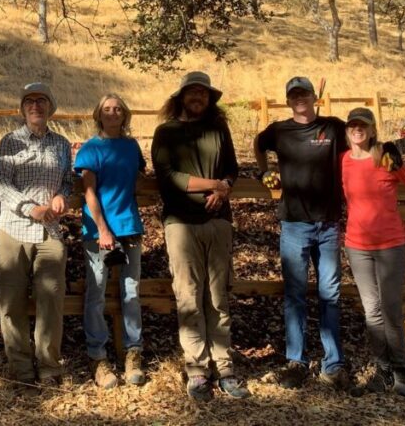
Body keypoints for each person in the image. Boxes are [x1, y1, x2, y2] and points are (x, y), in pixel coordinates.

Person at [151, 72, 249, 401]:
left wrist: (225, 190)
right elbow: (167, 178)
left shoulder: (218, 129)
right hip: (181, 223)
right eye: (192, 93)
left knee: (218, 296)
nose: (197, 98)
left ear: (209, 100)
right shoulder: (166, 133)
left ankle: (224, 367)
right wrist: (213, 185)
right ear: (180, 97)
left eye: (202, 94)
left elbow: (232, 168)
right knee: (188, 295)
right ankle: (196, 369)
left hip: (218, 221)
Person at [254, 76, 350, 391]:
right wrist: (264, 170)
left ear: (314, 96)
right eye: (294, 95)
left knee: (330, 294)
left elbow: (360, 148)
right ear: (288, 100)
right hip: (294, 222)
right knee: (294, 295)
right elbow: (258, 143)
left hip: (329, 223)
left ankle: (333, 364)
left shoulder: (334, 128)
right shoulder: (279, 130)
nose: (300, 99)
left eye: (304, 94)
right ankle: (296, 361)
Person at [342, 108, 405, 397]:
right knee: (372, 312)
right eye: (353, 125)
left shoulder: (386, 157)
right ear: (347, 130)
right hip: (357, 247)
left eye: (363, 126)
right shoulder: (342, 161)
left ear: (371, 129)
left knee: (391, 308)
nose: (358, 130)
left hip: (391, 246)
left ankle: (401, 371)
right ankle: (381, 370)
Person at [0, 82, 73, 394]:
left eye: (41, 101)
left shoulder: (61, 144)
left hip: (50, 233)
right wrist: (31, 209)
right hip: (14, 228)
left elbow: (67, 181)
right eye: (29, 101)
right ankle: (21, 369)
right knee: (11, 302)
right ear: (22, 108)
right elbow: (0, 185)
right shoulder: (10, 142)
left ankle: (49, 368)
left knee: (51, 299)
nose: (35, 106)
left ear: (50, 108)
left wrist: (61, 198)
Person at [74, 93, 146, 389]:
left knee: (131, 291)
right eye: (107, 109)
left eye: (118, 109)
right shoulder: (91, 149)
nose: (113, 113)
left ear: (125, 115)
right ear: (98, 114)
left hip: (129, 227)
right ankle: (98, 357)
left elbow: (137, 178)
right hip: (98, 231)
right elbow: (89, 192)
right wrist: (103, 229)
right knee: (97, 293)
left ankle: (133, 352)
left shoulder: (131, 147)